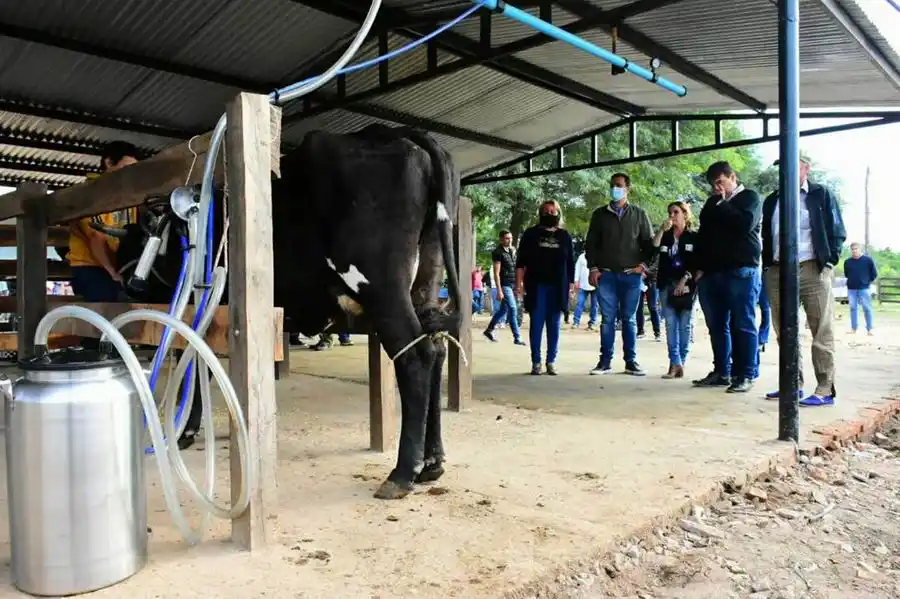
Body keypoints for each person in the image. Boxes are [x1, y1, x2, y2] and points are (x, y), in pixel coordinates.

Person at [761, 153, 846, 407]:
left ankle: (824, 388)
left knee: (821, 329)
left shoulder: (821, 194)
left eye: (792, 165)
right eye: (781, 167)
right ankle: (791, 384)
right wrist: (767, 266)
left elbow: (837, 230)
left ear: (805, 168)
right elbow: (767, 234)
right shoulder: (772, 199)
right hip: (778, 269)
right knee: (784, 330)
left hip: (811, 267)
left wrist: (828, 261)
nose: (785, 171)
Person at [693, 161, 763, 394]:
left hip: (741, 269)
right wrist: (699, 267)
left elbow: (744, 225)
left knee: (743, 323)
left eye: (720, 182)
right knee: (717, 326)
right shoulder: (711, 203)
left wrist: (723, 204)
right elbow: (703, 235)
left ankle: (746, 374)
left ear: (732, 177)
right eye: (713, 184)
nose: (717, 188)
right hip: (712, 272)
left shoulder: (750, 198)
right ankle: (722, 371)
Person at [585, 172, 655, 376]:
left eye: (618, 185)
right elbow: (591, 244)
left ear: (628, 188)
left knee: (629, 319)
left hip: (631, 276)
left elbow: (649, 244)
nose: (614, 189)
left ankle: (630, 362)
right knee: (607, 320)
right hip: (606, 275)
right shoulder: (600, 215)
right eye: (612, 185)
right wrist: (593, 268)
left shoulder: (639, 214)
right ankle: (604, 362)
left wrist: (644, 266)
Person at [67, 141, 140, 302]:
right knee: (107, 307)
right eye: (125, 167)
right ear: (109, 163)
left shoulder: (128, 197)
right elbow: (95, 237)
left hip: (118, 267)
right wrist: (113, 273)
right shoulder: (91, 193)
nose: (130, 173)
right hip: (91, 267)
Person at [515, 200, 575, 375]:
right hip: (536, 285)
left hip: (558, 286)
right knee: (537, 323)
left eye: (553, 211)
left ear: (558, 214)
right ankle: (536, 362)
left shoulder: (565, 236)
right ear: (540, 214)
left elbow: (570, 263)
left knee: (554, 324)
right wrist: (519, 284)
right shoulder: (530, 234)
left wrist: (571, 286)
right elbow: (521, 262)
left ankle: (551, 361)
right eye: (546, 211)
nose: (550, 214)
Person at [654, 201, 700, 379]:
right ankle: (675, 363)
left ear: (685, 214)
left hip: (687, 283)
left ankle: (681, 361)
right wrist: (661, 230)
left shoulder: (693, 236)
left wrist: (685, 279)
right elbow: (653, 248)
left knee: (685, 325)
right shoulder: (666, 236)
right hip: (666, 283)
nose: (672, 216)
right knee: (670, 324)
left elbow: (696, 262)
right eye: (670, 213)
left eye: (676, 212)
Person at [484, 230, 525, 345]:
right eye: (507, 238)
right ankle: (517, 337)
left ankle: (489, 330)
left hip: (513, 284)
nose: (509, 240)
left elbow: (517, 268)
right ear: (501, 239)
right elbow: (496, 273)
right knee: (512, 308)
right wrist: (499, 290)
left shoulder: (513, 251)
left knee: (503, 310)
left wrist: (519, 284)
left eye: (510, 238)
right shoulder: (498, 252)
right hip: (505, 285)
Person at [844, 242, 877, 335]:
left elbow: (874, 274)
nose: (854, 251)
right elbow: (847, 274)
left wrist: (866, 281)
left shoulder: (868, 260)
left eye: (856, 249)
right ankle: (853, 328)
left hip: (864, 288)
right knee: (853, 308)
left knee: (867, 308)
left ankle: (870, 329)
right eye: (852, 249)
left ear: (860, 249)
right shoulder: (847, 262)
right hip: (851, 289)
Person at [572, 250, 598, 330]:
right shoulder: (581, 257)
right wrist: (576, 280)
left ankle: (592, 322)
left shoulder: (598, 256)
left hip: (595, 285)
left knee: (595, 305)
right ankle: (576, 322)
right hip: (583, 285)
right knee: (580, 303)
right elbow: (577, 269)